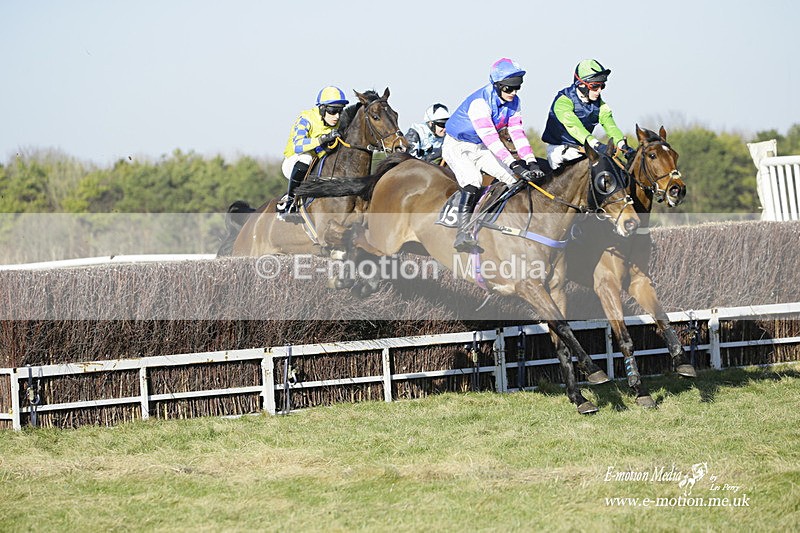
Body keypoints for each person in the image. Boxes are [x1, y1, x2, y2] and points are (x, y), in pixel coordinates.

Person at [442, 58, 545, 253]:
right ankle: (462, 233)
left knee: (513, 180)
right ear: (497, 86)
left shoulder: (514, 102)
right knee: (473, 179)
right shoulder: (480, 103)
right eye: (509, 89)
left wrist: (531, 162)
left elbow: (517, 133)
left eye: (517, 88)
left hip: (479, 146)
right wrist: (514, 163)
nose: (513, 93)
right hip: (457, 146)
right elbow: (492, 140)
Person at [541, 59, 634, 170]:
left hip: (585, 149)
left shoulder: (600, 105)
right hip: (560, 150)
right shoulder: (563, 101)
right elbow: (575, 127)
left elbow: (611, 126)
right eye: (595, 86)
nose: (599, 91)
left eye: (602, 86)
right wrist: (596, 145)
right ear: (581, 84)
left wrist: (624, 147)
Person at [276, 85, 349, 222]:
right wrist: (322, 139)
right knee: (306, 158)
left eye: (340, 111)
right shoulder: (306, 119)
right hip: (294, 161)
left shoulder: (338, 123)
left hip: (317, 165)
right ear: (322, 109)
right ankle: (290, 202)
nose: (337, 116)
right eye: (333, 111)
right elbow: (298, 145)